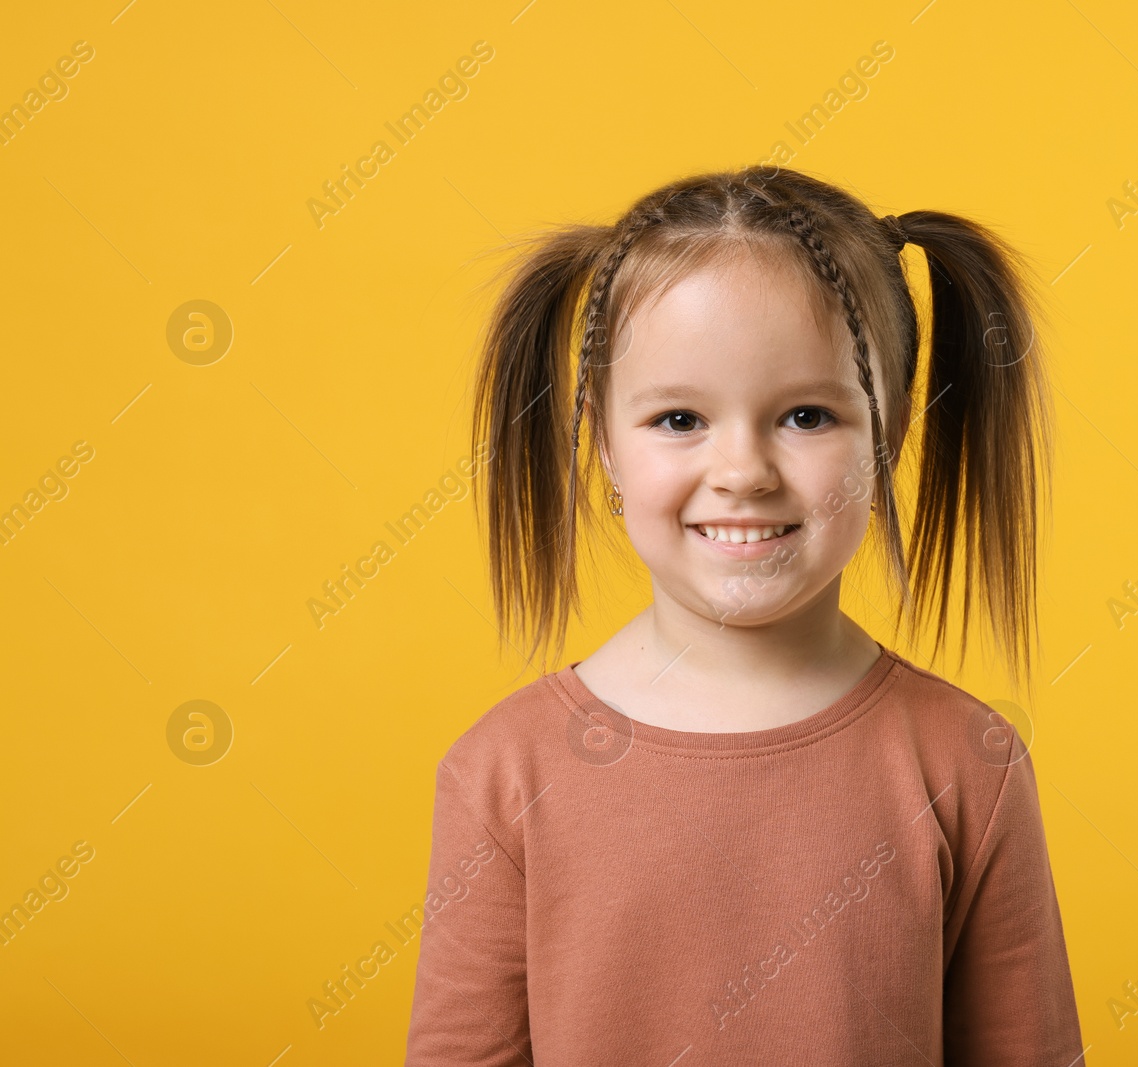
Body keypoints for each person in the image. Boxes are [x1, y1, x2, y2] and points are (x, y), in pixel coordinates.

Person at [404, 166, 1086, 1064]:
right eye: (680, 417)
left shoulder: (969, 762)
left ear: (891, 433)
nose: (744, 471)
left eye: (806, 415)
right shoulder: (503, 773)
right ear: (602, 439)